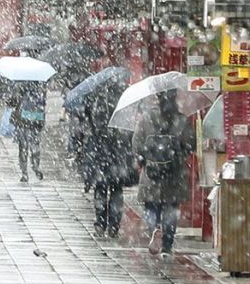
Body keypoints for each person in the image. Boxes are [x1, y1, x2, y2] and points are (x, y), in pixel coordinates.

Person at [132, 90, 196, 257]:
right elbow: (191, 145)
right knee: (171, 208)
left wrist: (145, 158)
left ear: (157, 98)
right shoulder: (182, 120)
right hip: (174, 173)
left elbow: (137, 144)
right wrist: (179, 154)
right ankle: (167, 245)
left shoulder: (146, 119)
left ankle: (154, 229)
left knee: (151, 207)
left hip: (152, 172)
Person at [82, 85, 138, 238]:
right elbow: (129, 134)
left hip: (102, 155)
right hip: (118, 157)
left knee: (101, 189)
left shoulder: (99, 105)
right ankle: (114, 224)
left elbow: (93, 127)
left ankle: (101, 222)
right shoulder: (123, 107)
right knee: (116, 191)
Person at [11, 82, 47, 182]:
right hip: (36, 121)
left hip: (23, 122)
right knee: (34, 147)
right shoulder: (41, 84)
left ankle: (24, 173)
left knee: (23, 148)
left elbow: (12, 102)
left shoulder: (19, 84)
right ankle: (35, 166)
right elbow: (43, 103)